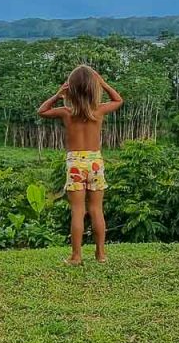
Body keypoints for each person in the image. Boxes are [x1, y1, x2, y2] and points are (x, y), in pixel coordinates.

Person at [37, 64, 123, 264]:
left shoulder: (66, 112)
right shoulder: (99, 110)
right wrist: (103, 83)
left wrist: (58, 94)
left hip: (75, 162)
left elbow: (42, 111)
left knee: (77, 211)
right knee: (96, 209)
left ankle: (76, 256)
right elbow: (118, 100)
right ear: (94, 88)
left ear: (71, 89)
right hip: (95, 162)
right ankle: (100, 254)